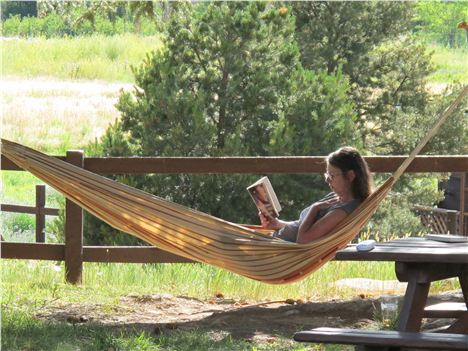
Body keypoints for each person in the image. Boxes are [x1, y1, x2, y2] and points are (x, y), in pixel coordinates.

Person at [259, 146, 373, 244]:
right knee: (242, 237)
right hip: (274, 241)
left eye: (332, 176)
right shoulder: (337, 198)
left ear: (350, 176)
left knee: (242, 244)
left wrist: (315, 208)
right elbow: (299, 226)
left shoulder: (341, 211)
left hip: (277, 248)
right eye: (327, 175)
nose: (328, 180)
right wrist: (277, 224)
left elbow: (302, 239)